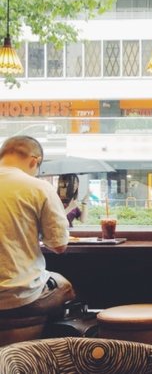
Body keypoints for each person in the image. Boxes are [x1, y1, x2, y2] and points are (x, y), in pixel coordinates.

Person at [0, 136, 76, 320]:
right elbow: (59, 246)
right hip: (17, 296)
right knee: (65, 287)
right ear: (35, 161)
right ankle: (47, 343)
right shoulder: (38, 187)